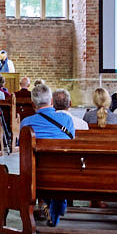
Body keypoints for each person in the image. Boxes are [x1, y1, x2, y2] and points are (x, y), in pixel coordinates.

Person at [21, 84, 73, 225]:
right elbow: (71, 141)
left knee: (40, 168)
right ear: (51, 101)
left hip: (34, 172)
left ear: (33, 104)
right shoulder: (66, 119)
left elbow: (22, 149)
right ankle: (55, 208)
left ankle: (46, 205)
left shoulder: (26, 123)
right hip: (62, 170)